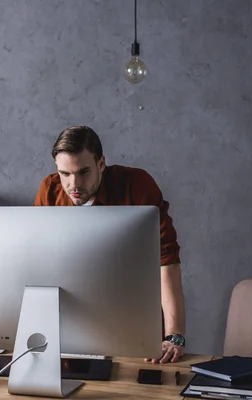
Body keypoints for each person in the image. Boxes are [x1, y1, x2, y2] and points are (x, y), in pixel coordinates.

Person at [33, 125, 186, 364]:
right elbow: (38, 259)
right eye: (65, 174)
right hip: (70, 321)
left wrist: (174, 335)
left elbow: (166, 259)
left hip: (133, 321)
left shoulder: (136, 186)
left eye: (84, 172)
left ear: (101, 164)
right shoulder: (49, 191)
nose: (74, 184)